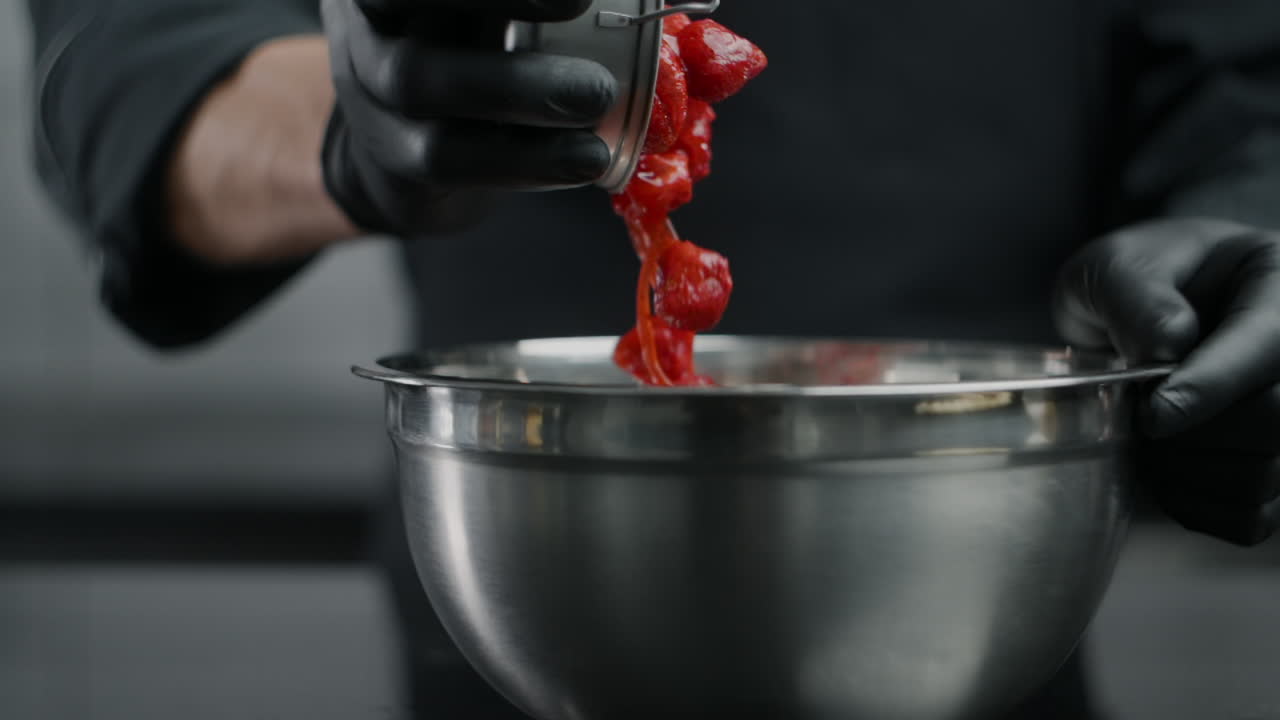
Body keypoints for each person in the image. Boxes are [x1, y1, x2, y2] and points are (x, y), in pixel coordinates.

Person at [26, 0, 1280, 716]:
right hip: (513, 658)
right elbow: (126, 75)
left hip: (992, 647)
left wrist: (1245, 255)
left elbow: (1247, 92)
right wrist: (357, 126)